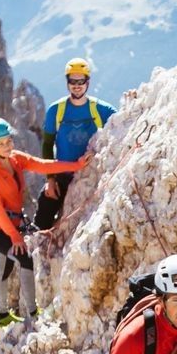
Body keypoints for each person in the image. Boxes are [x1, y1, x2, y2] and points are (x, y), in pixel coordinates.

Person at [0, 117, 91, 328]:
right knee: (24, 259)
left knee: (4, 266)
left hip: (12, 223)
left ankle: (2, 315)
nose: (7, 145)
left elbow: (42, 165)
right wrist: (15, 236)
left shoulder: (15, 159)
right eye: (1, 143)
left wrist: (76, 165)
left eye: (8, 140)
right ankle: (32, 311)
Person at [36, 58, 115, 231]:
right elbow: (47, 145)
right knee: (42, 220)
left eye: (81, 81)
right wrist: (50, 180)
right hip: (62, 175)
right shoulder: (56, 110)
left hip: (91, 175)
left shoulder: (101, 109)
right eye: (73, 81)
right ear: (67, 82)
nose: (77, 85)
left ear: (88, 82)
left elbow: (125, 119)